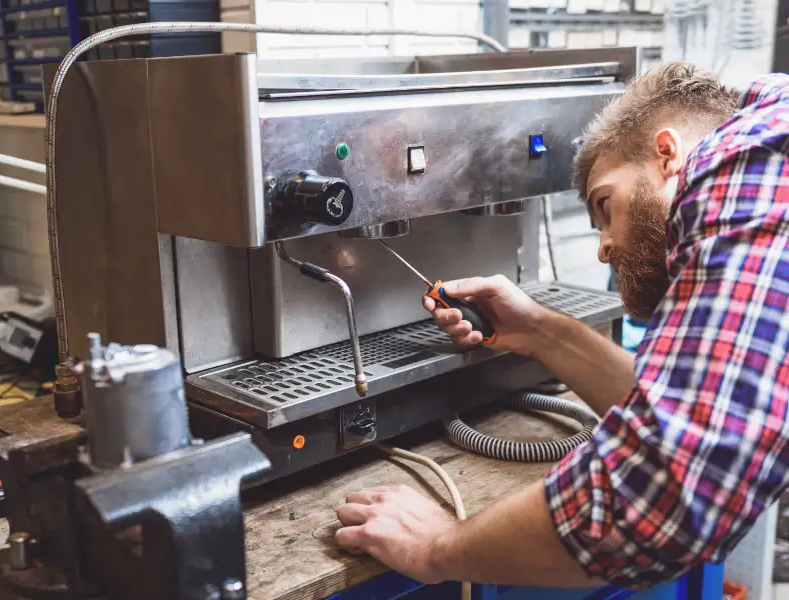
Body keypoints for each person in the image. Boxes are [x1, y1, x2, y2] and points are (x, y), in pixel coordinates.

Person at [334, 62, 789, 589]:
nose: (603, 248)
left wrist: (437, 547)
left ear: (668, 153)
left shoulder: (748, 165)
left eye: (605, 204)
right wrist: (538, 330)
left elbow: (666, 487)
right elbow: (696, 405)